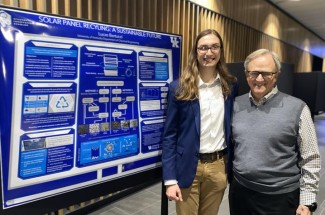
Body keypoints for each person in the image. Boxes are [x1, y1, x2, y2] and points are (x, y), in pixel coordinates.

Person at [229, 49, 321, 215]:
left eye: (266, 73)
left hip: (280, 198)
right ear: (246, 74)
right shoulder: (235, 105)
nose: (259, 79)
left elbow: (311, 157)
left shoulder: (298, 108)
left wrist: (307, 202)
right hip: (240, 192)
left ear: (277, 75)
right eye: (254, 73)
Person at [162, 29, 238, 215]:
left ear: (220, 51)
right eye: (203, 48)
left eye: (214, 47)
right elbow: (169, 136)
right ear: (195, 52)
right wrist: (170, 180)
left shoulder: (231, 85)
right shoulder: (179, 87)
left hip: (218, 166)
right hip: (188, 166)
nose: (209, 53)